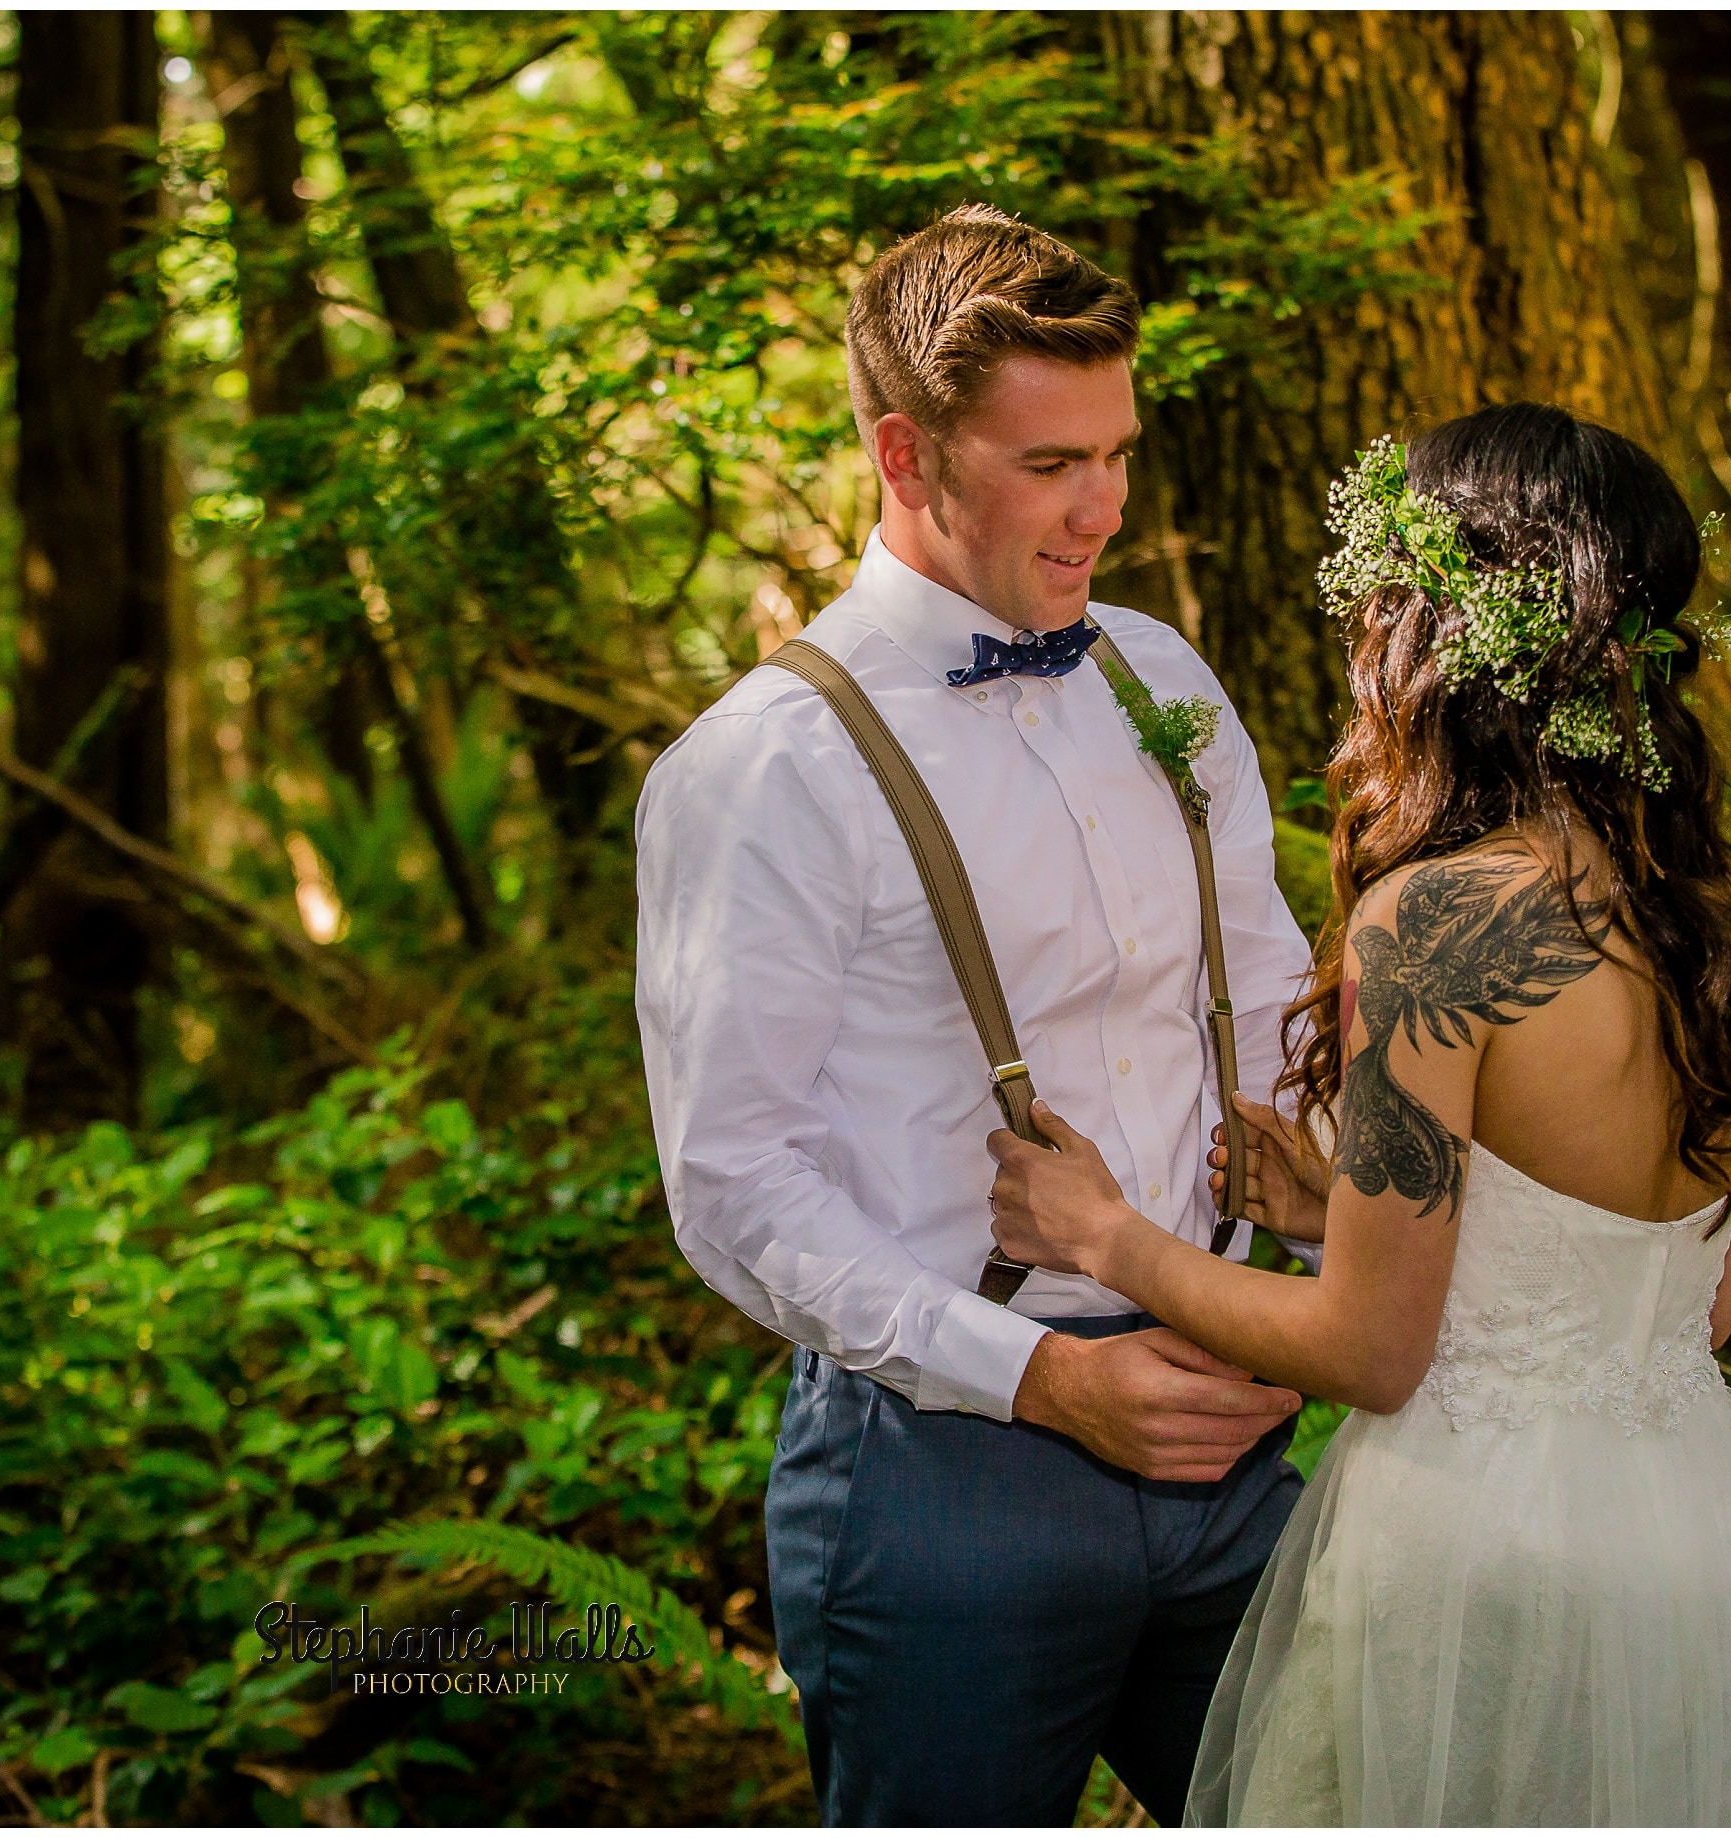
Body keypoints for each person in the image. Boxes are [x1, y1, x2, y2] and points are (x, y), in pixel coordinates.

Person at [987, 403, 1731, 1824]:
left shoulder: (1439, 927)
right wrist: (1330, 1206)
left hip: (1484, 1564)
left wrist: (1108, 1238)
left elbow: (1372, 1351)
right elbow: (1698, 1303)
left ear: (1432, 637)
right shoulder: (1724, 930)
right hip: (1696, 1530)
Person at [633, 204, 1321, 1825]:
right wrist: (1038, 1377)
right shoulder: (763, 769)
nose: (1105, 508)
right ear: (905, 452)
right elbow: (732, 1183)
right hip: (943, 1479)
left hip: (1236, 1438)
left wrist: (1338, 1272)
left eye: (1121, 451)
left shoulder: (1167, 679)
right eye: (1049, 462)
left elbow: (1276, 1005)